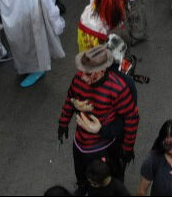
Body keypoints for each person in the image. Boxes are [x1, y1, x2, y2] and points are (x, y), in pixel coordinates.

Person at [58, 45, 140, 191]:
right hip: (79, 143)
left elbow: (131, 118)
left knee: (106, 181)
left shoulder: (118, 89)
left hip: (103, 146)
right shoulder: (79, 78)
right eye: (82, 72)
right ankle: (83, 187)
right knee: (82, 176)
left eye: (88, 74)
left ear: (101, 71)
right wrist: (63, 122)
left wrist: (127, 148)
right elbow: (71, 98)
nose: (82, 77)